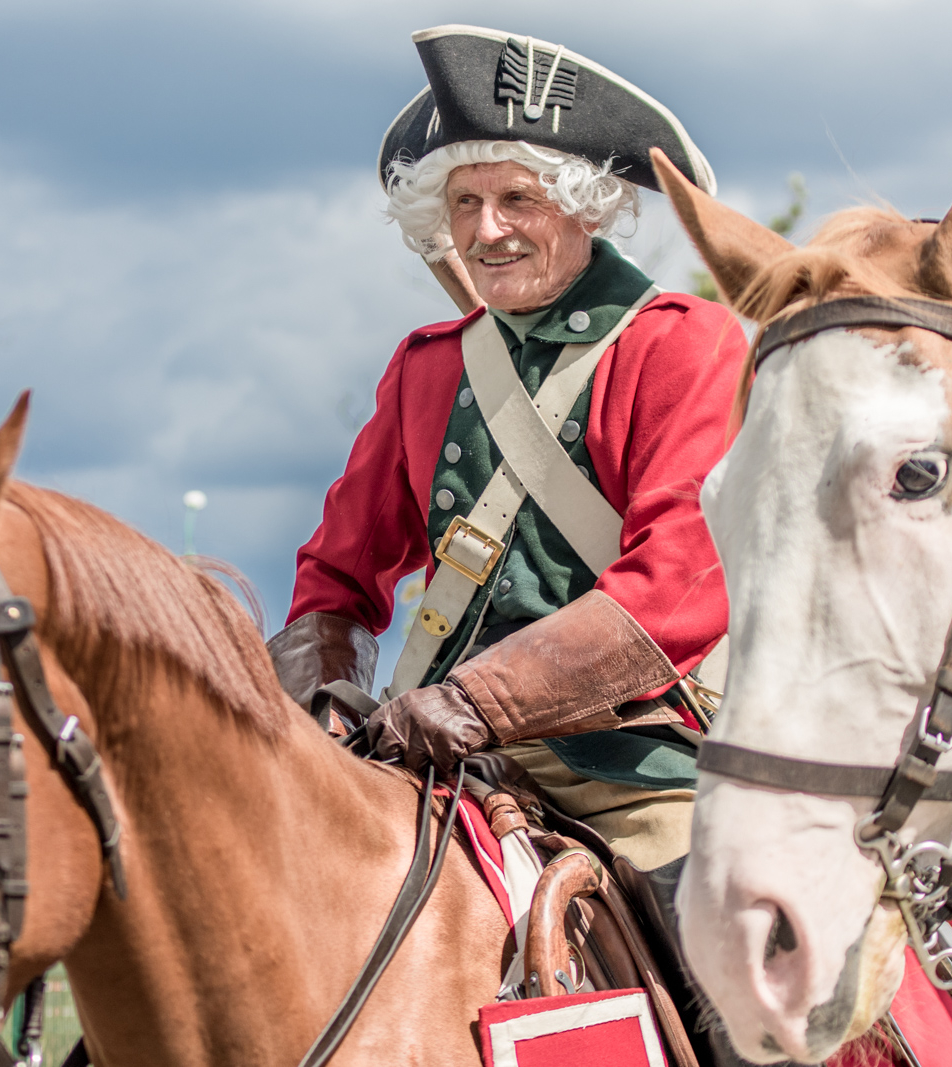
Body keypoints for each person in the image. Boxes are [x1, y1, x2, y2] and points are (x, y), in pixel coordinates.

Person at [267, 24, 744, 924]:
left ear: (584, 205)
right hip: (426, 756)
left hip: (629, 766)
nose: (486, 230)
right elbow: (335, 576)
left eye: (517, 198)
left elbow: (677, 589)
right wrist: (323, 709)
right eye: (463, 202)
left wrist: (477, 699)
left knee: (730, 965)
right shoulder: (427, 366)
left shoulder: (682, 344)